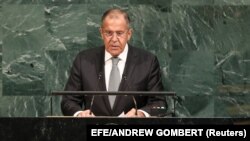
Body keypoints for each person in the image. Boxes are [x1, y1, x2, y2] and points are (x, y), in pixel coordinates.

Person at [61, 8, 166, 117]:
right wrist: (80, 114)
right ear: (101, 33)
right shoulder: (84, 60)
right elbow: (68, 101)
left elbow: (159, 103)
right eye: (109, 33)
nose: (114, 39)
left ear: (129, 34)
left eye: (120, 33)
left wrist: (141, 114)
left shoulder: (147, 62)